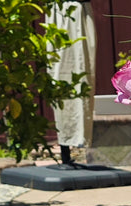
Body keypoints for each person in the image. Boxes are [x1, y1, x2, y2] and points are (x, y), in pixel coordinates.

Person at [48, 1, 96, 165]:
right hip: (59, 12)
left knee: (80, 73)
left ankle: (69, 147)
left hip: (75, 10)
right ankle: (65, 148)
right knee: (60, 76)